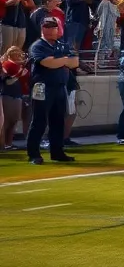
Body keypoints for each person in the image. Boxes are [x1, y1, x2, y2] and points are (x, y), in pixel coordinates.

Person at [26, 19, 77, 164]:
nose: (50, 30)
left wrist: (59, 61)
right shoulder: (38, 46)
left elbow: (75, 62)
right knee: (39, 121)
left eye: (53, 27)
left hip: (60, 86)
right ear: (42, 28)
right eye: (47, 27)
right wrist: (64, 60)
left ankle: (57, 152)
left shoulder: (62, 44)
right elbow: (47, 62)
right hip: (42, 87)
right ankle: (34, 154)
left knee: (58, 121)